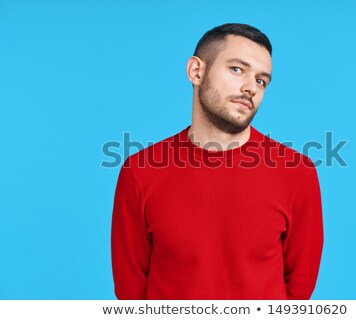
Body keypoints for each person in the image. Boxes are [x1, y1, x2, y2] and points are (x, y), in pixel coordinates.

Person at [111, 23, 324, 300]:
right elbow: (131, 292)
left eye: (261, 80)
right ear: (196, 71)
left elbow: (299, 291)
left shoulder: (297, 172)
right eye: (237, 69)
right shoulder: (139, 171)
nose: (250, 88)